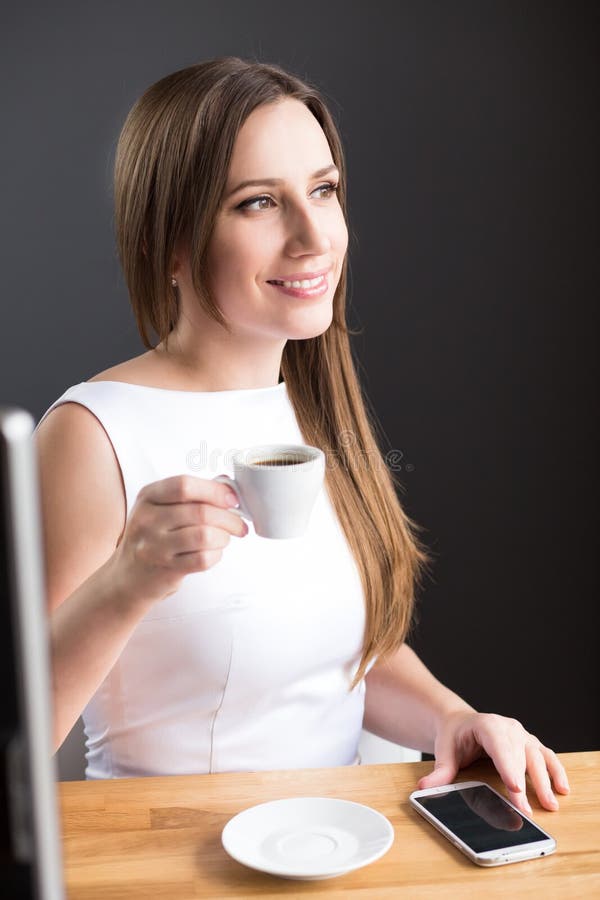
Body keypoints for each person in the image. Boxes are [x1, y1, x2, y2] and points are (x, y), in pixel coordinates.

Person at [36, 57, 569, 813]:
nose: (314, 235)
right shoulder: (91, 433)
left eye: (323, 190)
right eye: (258, 203)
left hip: (333, 847)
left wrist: (454, 717)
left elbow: (347, 654)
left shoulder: (314, 408)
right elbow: (25, 731)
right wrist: (128, 583)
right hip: (159, 857)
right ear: (172, 242)